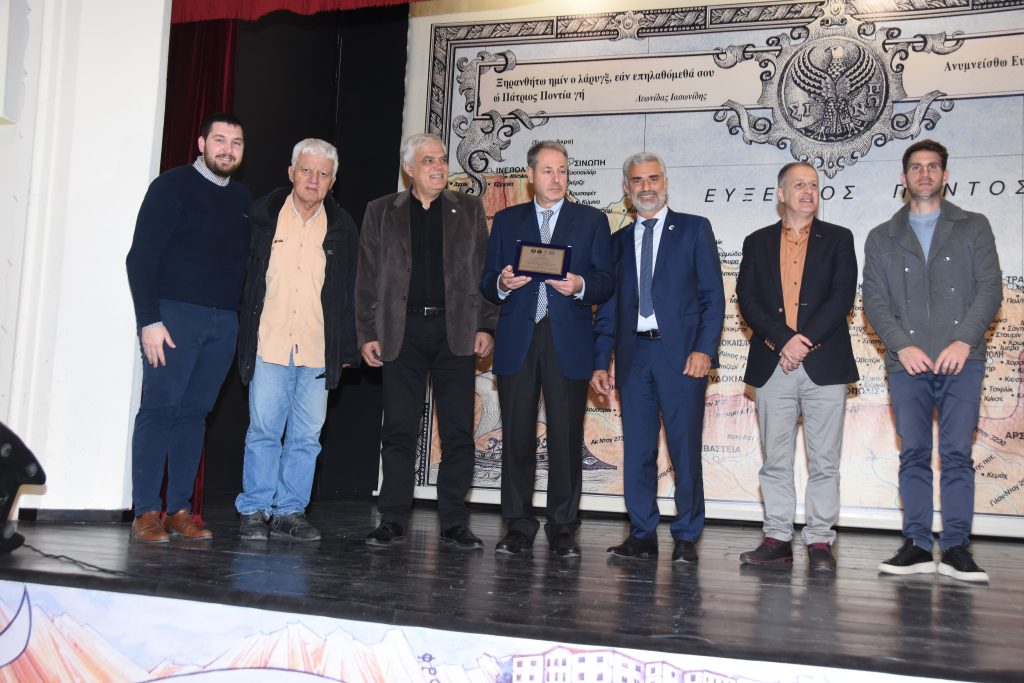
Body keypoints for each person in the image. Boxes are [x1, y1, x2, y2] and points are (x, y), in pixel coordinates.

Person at [863, 139, 1001, 582]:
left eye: (933, 166)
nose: (925, 173)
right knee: (915, 453)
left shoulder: (974, 226)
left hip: (963, 360)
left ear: (945, 175)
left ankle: (957, 547)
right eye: (916, 167)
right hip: (907, 364)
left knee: (957, 453)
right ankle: (919, 545)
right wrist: (901, 345)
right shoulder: (881, 236)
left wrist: (963, 341)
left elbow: (990, 289)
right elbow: (874, 301)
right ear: (903, 178)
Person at [357, 133, 497, 548]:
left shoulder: (468, 209)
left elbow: (484, 273)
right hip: (401, 333)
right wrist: (367, 332)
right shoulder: (380, 211)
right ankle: (392, 517)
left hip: (456, 333)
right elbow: (366, 277)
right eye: (429, 161)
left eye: (442, 159)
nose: (439, 167)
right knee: (399, 429)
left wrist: (486, 326)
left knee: (458, 432)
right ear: (409, 169)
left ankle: (454, 521)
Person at [481, 140, 614, 557]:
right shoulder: (507, 220)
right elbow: (487, 280)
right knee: (516, 437)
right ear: (530, 175)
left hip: (567, 341)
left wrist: (581, 286)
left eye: (562, 171)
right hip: (518, 340)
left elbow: (606, 281)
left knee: (565, 437)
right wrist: (502, 283)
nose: (556, 179)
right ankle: (518, 525)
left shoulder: (592, 221)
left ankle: (563, 527)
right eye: (547, 171)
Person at [592, 152, 724, 564]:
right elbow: (608, 309)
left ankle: (686, 536)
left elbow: (713, 297)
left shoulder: (694, 229)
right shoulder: (616, 243)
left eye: (652, 178)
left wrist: (704, 349)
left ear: (665, 183)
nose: (645, 187)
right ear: (626, 189)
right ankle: (642, 534)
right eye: (637, 180)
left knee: (684, 449)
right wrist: (600, 360)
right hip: (634, 358)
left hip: (683, 357)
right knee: (638, 451)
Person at [125, 112, 251, 542]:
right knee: (160, 410)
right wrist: (149, 320)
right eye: (220, 140)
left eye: (236, 143)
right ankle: (145, 511)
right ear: (202, 144)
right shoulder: (171, 186)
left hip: (224, 323)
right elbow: (141, 258)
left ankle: (179, 509)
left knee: (195, 415)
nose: (227, 149)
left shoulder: (242, 199)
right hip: (174, 318)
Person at [735, 161, 859, 573]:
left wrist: (801, 342)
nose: (808, 191)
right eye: (799, 185)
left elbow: (841, 297)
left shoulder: (839, 238)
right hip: (774, 363)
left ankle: (820, 540)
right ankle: (777, 538)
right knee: (775, 459)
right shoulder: (756, 242)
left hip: (824, 363)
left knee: (824, 461)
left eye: (814, 185)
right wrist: (782, 341)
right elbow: (748, 300)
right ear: (780, 194)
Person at [234, 138, 359, 541]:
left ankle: (290, 511)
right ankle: (255, 508)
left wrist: (346, 347)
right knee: (264, 431)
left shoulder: (342, 227)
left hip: (317, 350)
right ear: (291, 173)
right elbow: (243, 280)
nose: (313, 179)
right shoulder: (262, 216)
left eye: (323, 173)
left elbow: (350, 292)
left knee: (306, 438)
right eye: (306, 170)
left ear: (333, 181)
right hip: (269, 343)